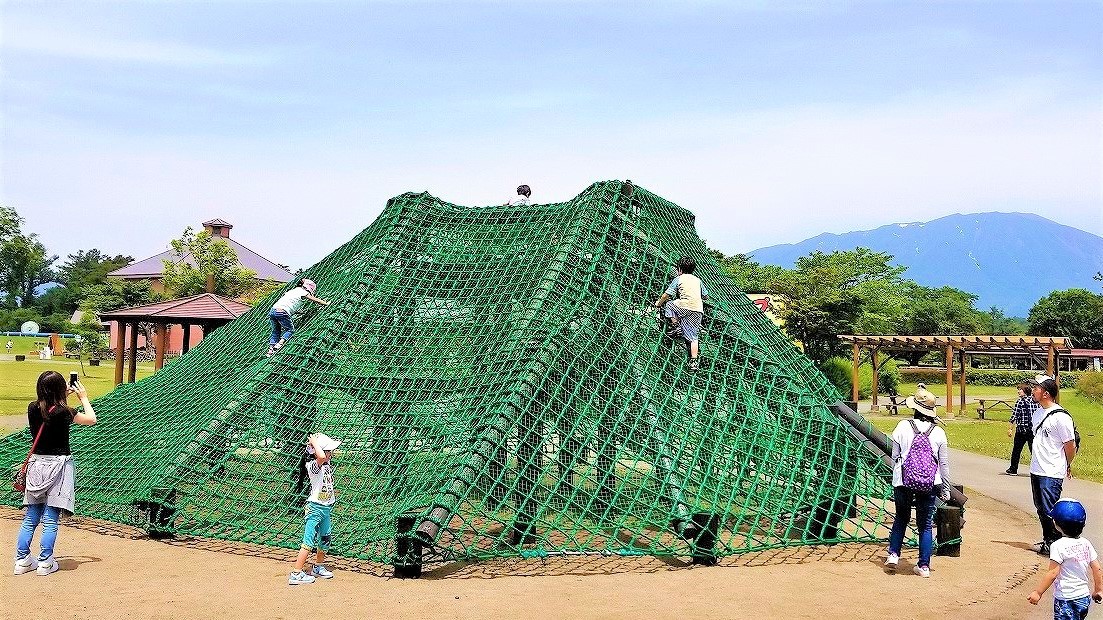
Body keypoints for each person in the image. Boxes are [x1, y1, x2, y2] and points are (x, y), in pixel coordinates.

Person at [13, 371, 97, 576]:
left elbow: (48, 411)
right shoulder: (65, 411)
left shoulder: (32, 408)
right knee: (51, 516)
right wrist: (83, 397)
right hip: (59, 466)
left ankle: (22, 560)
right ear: (61, 389)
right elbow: (91, 419)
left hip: (36, 465)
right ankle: (45, 562)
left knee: (31, 515)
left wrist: (60, 397)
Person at [885, 385, 951, 578]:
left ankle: (894, 555)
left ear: (914, 408)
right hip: (930, 483)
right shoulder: (938, 432)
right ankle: (923, 566)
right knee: (925, 524)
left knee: (901, 517)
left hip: (903, 480)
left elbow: (894, 456)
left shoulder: (903, 426)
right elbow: (944, 464)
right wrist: (945, 488)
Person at [1027, 498, 1103, 619]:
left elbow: (1052, 573)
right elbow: (1097, 568)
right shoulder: (1086, 543)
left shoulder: (1058, 546)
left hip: (1066, 599)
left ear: (1056, 524)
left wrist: (1038, 592)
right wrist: (1098, 590)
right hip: (1083, 597)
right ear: (1083, 524)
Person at [1028, 374, 1077, 556]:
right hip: (1036, 469)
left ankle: (1057, 545)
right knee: (1041, 508)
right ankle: (1048, 541)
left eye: (1036, 388)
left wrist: (1067, 463)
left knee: (1050, 509)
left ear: (1046, 393)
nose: (1033, 391)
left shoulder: (1061, 417)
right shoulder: (1037, 413)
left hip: (1052, 470)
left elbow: (1069, 445)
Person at [288, 433, 340, 585]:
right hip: (315, 508)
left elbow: (324, 458)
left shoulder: (326, 465)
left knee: (325, 538)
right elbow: (321, 457)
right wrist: (314, 442)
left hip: (326, 509)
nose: (331, 454)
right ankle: (296, 573)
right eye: (328, 451)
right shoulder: (312, 466)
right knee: (308, 541)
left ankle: (318, 566)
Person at [653, 256, 708, 371]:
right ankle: (693, 361)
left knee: (669, 305)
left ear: (679, 269)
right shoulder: (698, 280)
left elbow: (666, 295)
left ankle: (676, 325)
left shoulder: (679, 279)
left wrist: (658, 303)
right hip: (698, 310)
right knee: (693, 337)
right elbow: (705, 296)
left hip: (683, 306)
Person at [268, 278, 330, 357]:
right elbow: (315, 300)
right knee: (290, 330)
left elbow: (289, 305)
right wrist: (325, 303)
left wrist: (300, 312)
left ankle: (270, 350)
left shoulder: (292, 291)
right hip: (282, 312)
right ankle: (279, 344)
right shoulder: (303, 292)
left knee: (276, 331)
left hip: (273, 311)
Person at [1005, 383, 1038, 476]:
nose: (1018, 391)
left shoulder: (1020, 401)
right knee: (1034, 451)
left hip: (1021, 430)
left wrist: (1010, 428)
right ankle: (1036, 471)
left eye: (1020, 389)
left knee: (1016, 450)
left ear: (1025, 391)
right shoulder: (1035, 401)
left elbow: (1014, 416)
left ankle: (1013, 469)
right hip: (1032, 430)